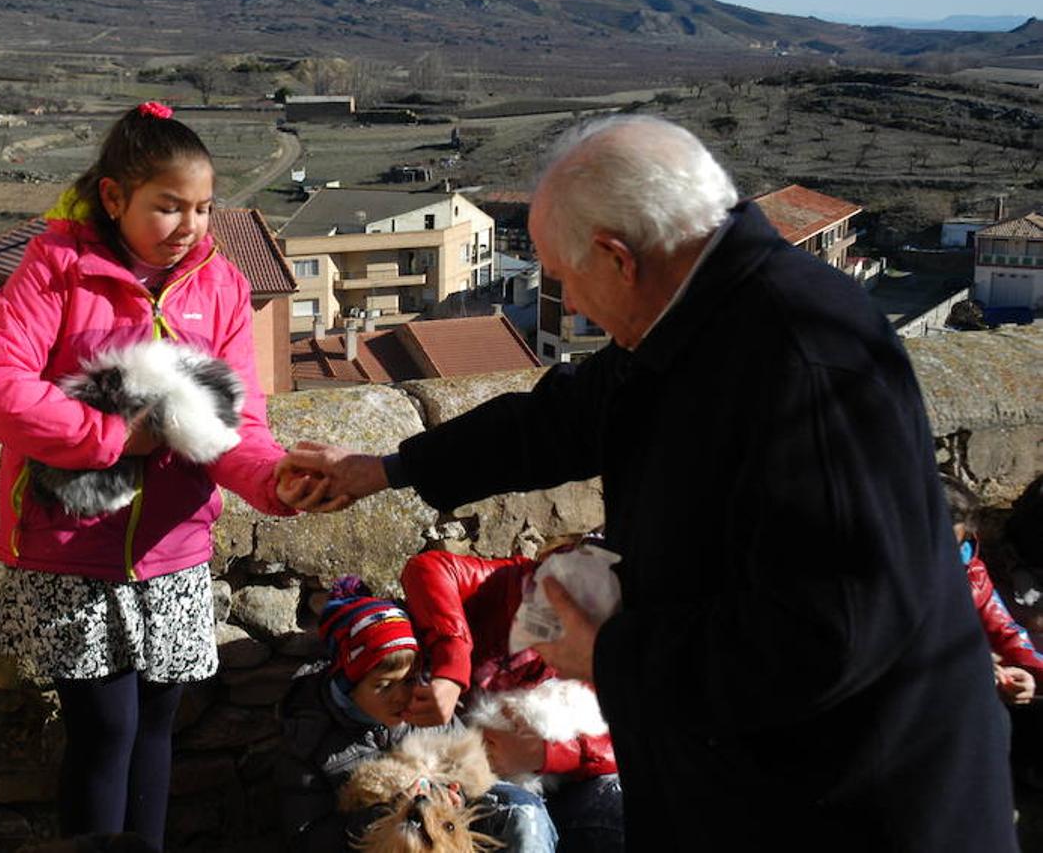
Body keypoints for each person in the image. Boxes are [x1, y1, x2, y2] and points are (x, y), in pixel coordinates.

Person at [286, 115, 1018, 849]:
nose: (568, 304)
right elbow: (569, 414)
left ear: (617, 257)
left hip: (850, 803)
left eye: (566, 279)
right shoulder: (705, 314)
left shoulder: (800, 363)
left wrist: (611, 655)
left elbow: (830, 636)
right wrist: (385, 469)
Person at [0, 101, 337, 847]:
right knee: (106, 727)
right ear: (113, 197)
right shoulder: (58, 271)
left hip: (173, 550)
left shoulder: (220, 287)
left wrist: (271, 480)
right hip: (73, 547)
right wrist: (109, 434)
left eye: (201, 207)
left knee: (158, 725)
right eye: (168, 206)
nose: (190, 224)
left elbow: (233, 424)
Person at [276, 578, 558, 852]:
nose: (401, 696)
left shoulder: (426, 710)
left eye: (409, 680)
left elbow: (472, 768)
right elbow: (309, 838)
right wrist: (389, 813)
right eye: (384, 686)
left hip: (444, 833)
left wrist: (453, 795)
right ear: (347, 685)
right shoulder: (310, 739)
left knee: (522, 812)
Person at [401, 545, 622, 852]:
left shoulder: (614, 640)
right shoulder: (505, 584)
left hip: (560, 780)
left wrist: (545, 754)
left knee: (622, 805)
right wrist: (452, 669)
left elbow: (632, 735)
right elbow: (426, 568)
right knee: (525, 820)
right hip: (476, 778)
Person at [939, 473, 1043, 704]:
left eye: (958, 544)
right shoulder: (888, 586)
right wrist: (975, 665)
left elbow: (1007, 633)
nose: (950, 556)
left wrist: (1029, 676)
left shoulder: (972, 573)